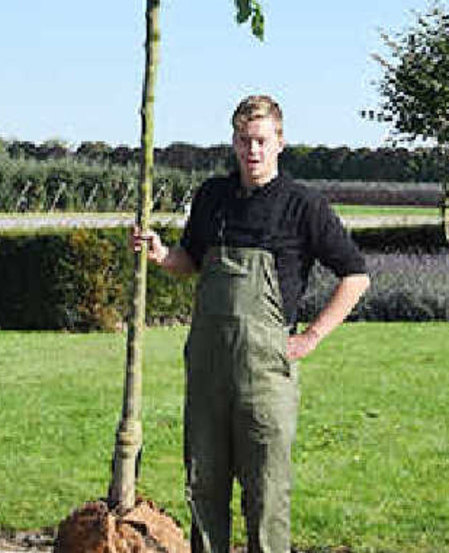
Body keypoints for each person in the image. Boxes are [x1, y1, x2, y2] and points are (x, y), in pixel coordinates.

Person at [132, 93, 370, 553]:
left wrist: (311, 338)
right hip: (208, 371)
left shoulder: (303, 205)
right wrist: (162, 255)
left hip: (266, 374)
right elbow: (192, 260)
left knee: (266, 493)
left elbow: (355, 276)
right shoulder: (212, 197)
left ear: (280, 142)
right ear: (233, 142)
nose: (252, 150)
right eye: (244, 140)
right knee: (203, 487)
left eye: (261, 140)